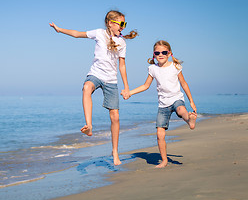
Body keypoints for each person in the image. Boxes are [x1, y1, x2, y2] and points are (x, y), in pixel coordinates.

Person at [49, 10, 137, 165]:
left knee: (115, 117)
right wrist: (59, 29)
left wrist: (127, 87)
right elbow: (77, 34)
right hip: (96, 74)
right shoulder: (99, 33)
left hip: (111, 80)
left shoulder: (122, 42)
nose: (123, 27)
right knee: (86, 87)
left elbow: (122, 66)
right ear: (110, 23)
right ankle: (89, 125)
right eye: (121, 24)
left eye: (124, 24)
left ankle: (115, 151)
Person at [129, 40, 197, 168]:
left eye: (164, 52)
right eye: (157, 52)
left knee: (181, 110)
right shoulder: (153, 69)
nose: (161, 54)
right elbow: (145, 85)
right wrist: (130, 92)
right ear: (154, 54)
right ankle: (164, 161)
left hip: (176, 98)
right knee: (160, 134)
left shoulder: (175, 66)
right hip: (163, 105)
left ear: (169, 53)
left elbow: (184, 84)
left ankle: (190, 120)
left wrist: (191, 101)